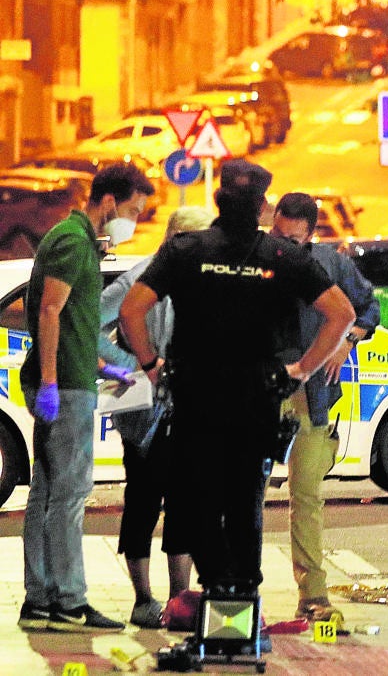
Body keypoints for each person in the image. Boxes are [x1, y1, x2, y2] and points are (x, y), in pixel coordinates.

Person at [119, 160, 355, 597]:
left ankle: (213, 590)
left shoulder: (185, 250)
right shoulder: (281, 256)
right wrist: (303, 369)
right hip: (257, 398)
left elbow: (130, 310)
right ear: (263, 207)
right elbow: (343, 314)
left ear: (217, 201)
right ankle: (243, 595)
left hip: (195, 396)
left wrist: (152, 365)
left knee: (198, 498)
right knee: (246, 498)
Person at [17, 162, 153, 633]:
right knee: (69, 496)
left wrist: (104, 366)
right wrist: (53, 381)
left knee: (47, 494)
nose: (133, 221)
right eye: (133, 210)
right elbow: (51, 312)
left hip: (74, 377)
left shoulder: (70, 239)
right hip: (66, 389)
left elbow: (73, 322)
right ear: (109, 201)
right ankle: (69, 601)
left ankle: (40, 600)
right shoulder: (74, 243)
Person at [98, 206, 215, 628]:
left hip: (186, 406)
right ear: (176, 239)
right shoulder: (137, 278)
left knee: (185, 501)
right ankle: (143, 598)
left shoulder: (202, 277)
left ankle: (178, 600)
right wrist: (133, 363)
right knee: (143, 500)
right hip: (140, 406)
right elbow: (94, 323)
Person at [269, 192, 380, 628]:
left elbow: (368, 306)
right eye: (278, 235)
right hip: (263, 390)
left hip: (310, 396)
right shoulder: (260, 261)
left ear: (311, 236)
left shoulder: (331, 265)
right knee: (242, 498)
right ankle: (235, 592)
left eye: (294, 240)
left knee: (308, 498)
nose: (284, 246)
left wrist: (347, 338)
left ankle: (313, 595)